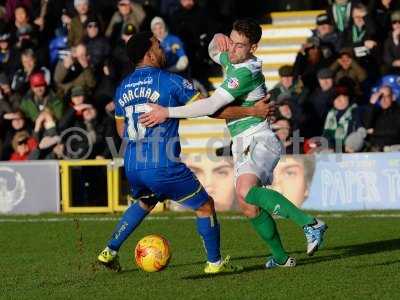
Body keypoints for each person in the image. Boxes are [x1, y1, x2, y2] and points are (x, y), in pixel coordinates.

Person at [140, 19, 328, 269]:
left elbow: (211, 106)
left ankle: (310, 224)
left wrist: (167, 112)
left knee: (246, 189)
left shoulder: (245, 72)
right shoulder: (232, 57)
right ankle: (281, 258)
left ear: (254, 48)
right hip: (243, 142)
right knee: (249, 207)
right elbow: (215, 51)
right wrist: (218, 37)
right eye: (233, 42)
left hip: (259, 138)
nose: (233, 49)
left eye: (240, 46)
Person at [97, 31, 242, 274]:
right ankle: (215, 264)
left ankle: (109, 251)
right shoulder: (169, 80)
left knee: (146, 201)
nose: (163, 49)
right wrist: (250, 111)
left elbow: (122, 130)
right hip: (162, 163)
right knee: (205, 206)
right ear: (149, 54)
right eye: (158, 45)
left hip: (133, 163)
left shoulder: (123, 87)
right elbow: (211, 109)